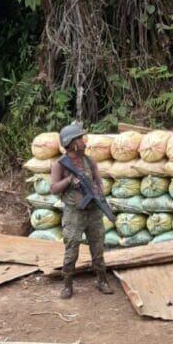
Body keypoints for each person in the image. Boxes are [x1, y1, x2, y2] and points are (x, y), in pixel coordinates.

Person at [50, 123, 114, 299]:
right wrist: (70, 180)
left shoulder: (89, 161)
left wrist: (99, 191)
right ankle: (67, 285)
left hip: (93, 211)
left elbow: (99, 182)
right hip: (74, 214)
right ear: (70, 143)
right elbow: (54, 188)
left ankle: (102, 280)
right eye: (79, 138)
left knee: (98, 247)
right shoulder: (60, 165)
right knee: (72, 249)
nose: (83, 141)